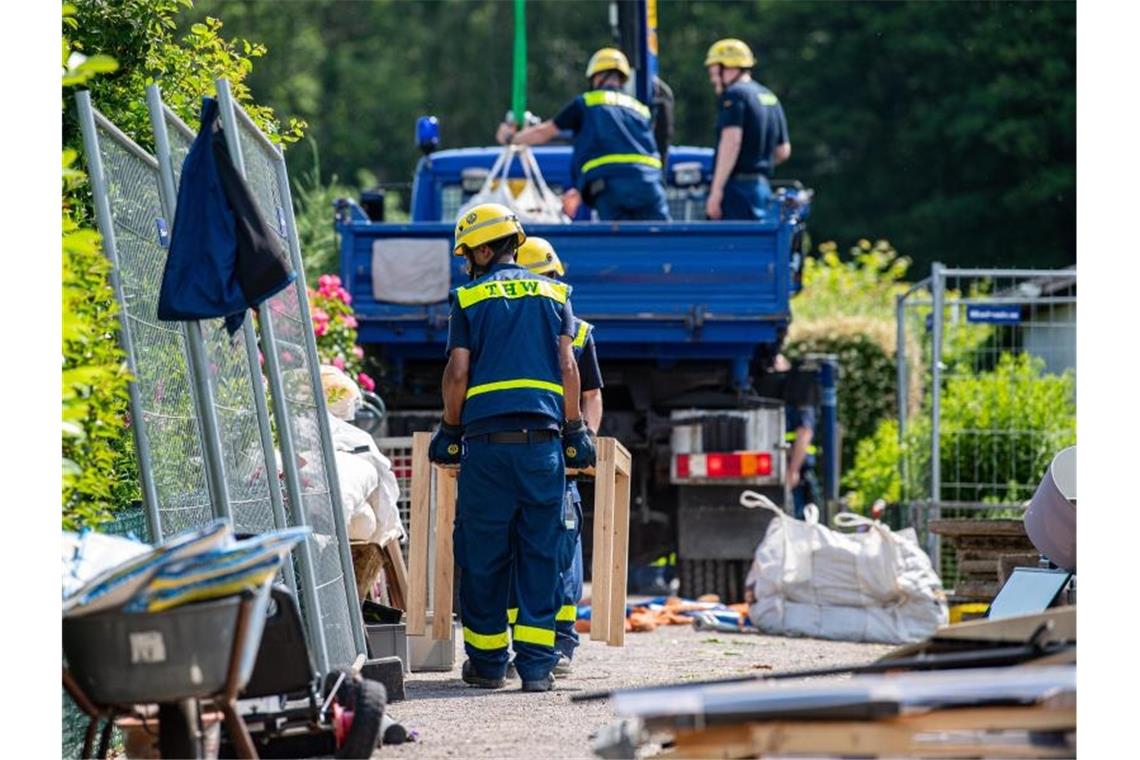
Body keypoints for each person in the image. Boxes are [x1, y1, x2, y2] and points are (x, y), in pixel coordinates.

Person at [428, 203, 596, 693]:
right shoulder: (555, 291)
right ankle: (539, 668)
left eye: (468, 254)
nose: (467, 264)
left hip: (486, 448)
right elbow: (569, 368)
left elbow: (458, 371)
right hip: (543, 449)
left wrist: (449, 429)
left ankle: (487, 664)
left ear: (483, 248)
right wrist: (575, 431)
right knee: (541, 553)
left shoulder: (469, 297)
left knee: (484, 554)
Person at [507, 237, 603, 675]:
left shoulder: (576, 331)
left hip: (553, 454)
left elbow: (590, 394)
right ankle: (524, 644)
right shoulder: (507, 326)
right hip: (526, 451)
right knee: (515, 546)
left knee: (560, 548)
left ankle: (561, 641)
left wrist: (581, 439)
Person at [498, 48, 670, 222]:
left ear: (596, 77)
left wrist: (510, 138)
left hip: (610, 187)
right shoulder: (640, 110)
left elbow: (543, 133)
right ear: (622, 79)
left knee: (620, 244)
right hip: (649, 185)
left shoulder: (586, 103)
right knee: (662, 240)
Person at [703, 38, 791, 221]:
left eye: (714, 71)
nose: (712, 79)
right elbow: (783, 151)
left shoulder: (734, 95)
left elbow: (731, 141)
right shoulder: (769, 96)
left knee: (730, 246)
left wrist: (716, 190)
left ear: (729, 67)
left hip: (737, 191)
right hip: (761, 189)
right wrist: (756, 162)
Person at [773, 354, 823, 520]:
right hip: (793, 470)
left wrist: (793, 471)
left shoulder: (797, 393)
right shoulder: (799, 393)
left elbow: (804, 433)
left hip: (797, 473)